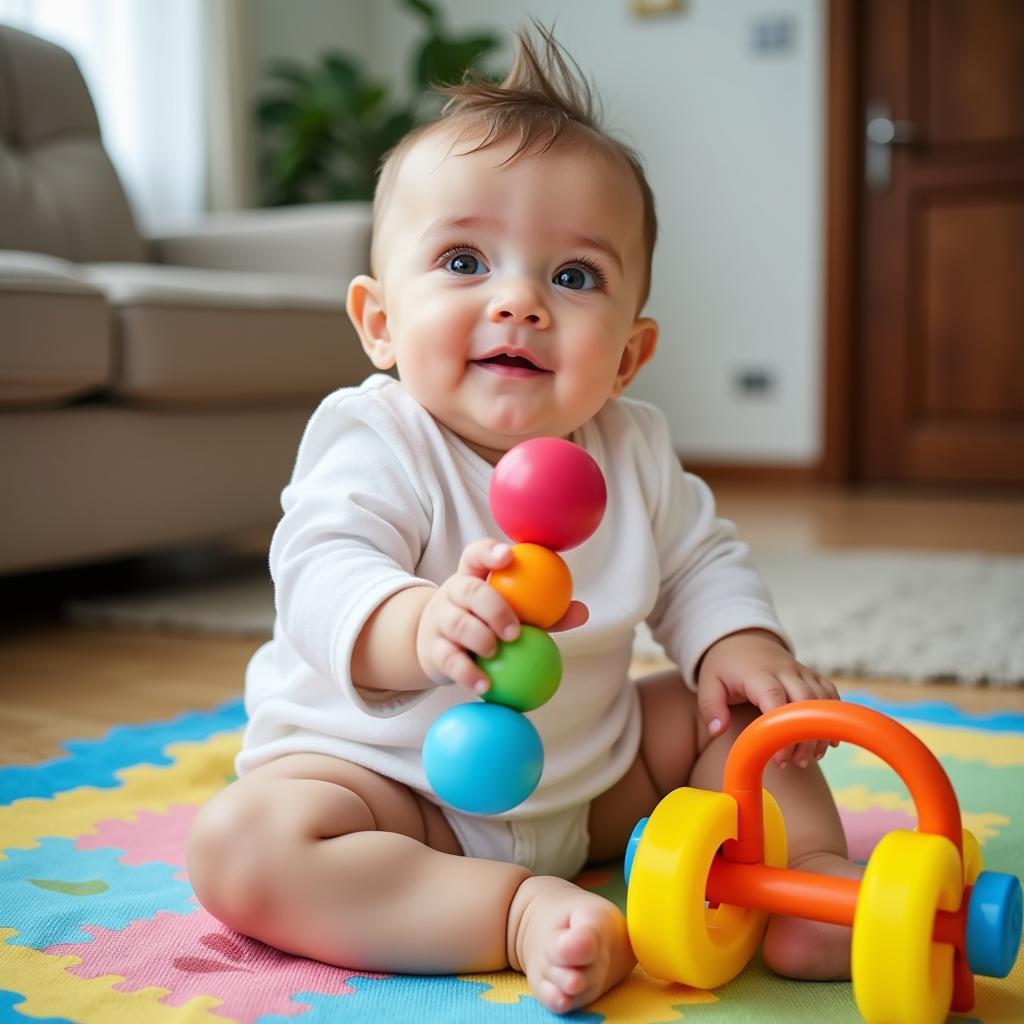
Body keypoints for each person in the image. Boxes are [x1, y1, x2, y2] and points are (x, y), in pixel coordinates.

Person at [187, 27, 860, 1015]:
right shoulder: (374, 435)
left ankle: (808, 876)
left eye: (573, 276)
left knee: (753, 722)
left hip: (597, 779)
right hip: (395, 791)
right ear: (378, 321)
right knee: (241, 846)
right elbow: (321, 569)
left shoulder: (631, 443)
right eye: (463, 260)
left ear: (627, 357)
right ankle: (507, 912)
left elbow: (698, 561)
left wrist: (739, 641)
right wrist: (417, 622)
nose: (518, 301)